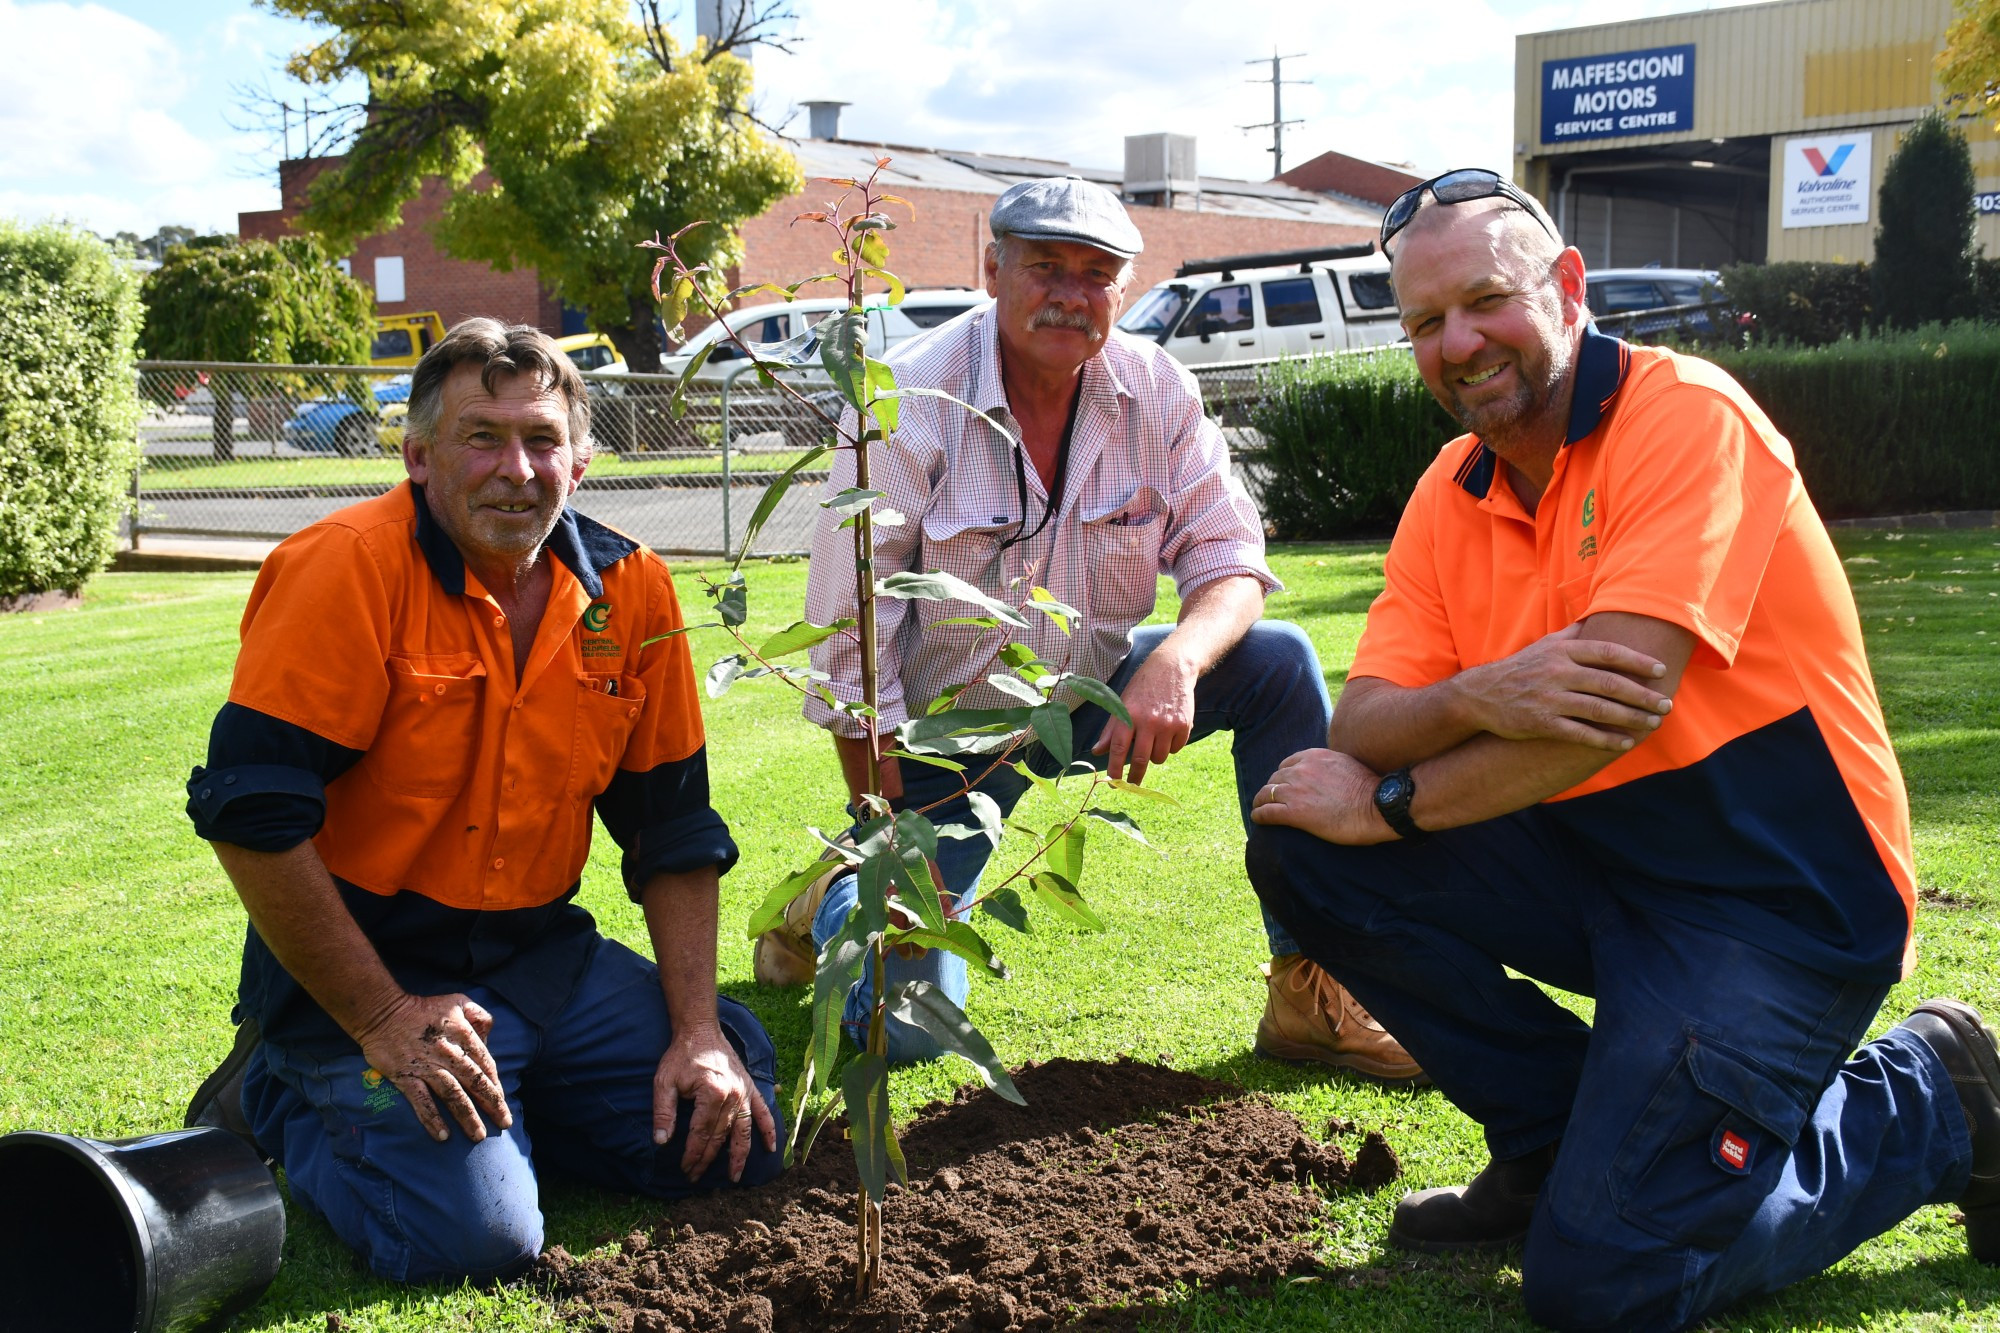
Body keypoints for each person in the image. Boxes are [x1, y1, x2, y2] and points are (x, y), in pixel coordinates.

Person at [1244, 168, 1999, 1331]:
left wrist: (1391, 805)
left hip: (1772, 902)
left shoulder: (1686, 417)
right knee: (1307, 847)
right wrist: (1490, 690)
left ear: (1566, 286)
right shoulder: (1452, 486)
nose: (1458, 342)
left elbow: (1606, 718)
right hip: (1602, 866)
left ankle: (1927, 1101)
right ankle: (1553, 1144)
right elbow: (1364, 719)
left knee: (1601, 1284)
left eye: (1483, 300)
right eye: (1424, 323)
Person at [760, 175, 1420, 1082]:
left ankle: (1310, 981)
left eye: (1098, 273)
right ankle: (838, 890)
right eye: (1046, 267)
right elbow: (849, 639)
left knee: (1278, 662)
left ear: (1122, 289)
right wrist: (890, 837)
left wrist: (1178, 661)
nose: (1072, 294)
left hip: (1087, 696)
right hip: (937, 744)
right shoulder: (906, 398)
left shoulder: (1155, 390)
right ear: (991, 268)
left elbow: (1232, 558)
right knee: (911, 1029)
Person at [182, 320, 782, 1285]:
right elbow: (251, 817)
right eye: (481, 438)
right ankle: (287, 1094)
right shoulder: (345, 567)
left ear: (580, 463)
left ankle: (516, 1101)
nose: (516, 468)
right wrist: (381, 1017)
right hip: (371, 969)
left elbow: (673, 834)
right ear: (419, 458)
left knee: (729, 1136)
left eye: (542, 440)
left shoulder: (632, 590)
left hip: (542, 957)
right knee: (478, 1241)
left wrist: (699, 1032)